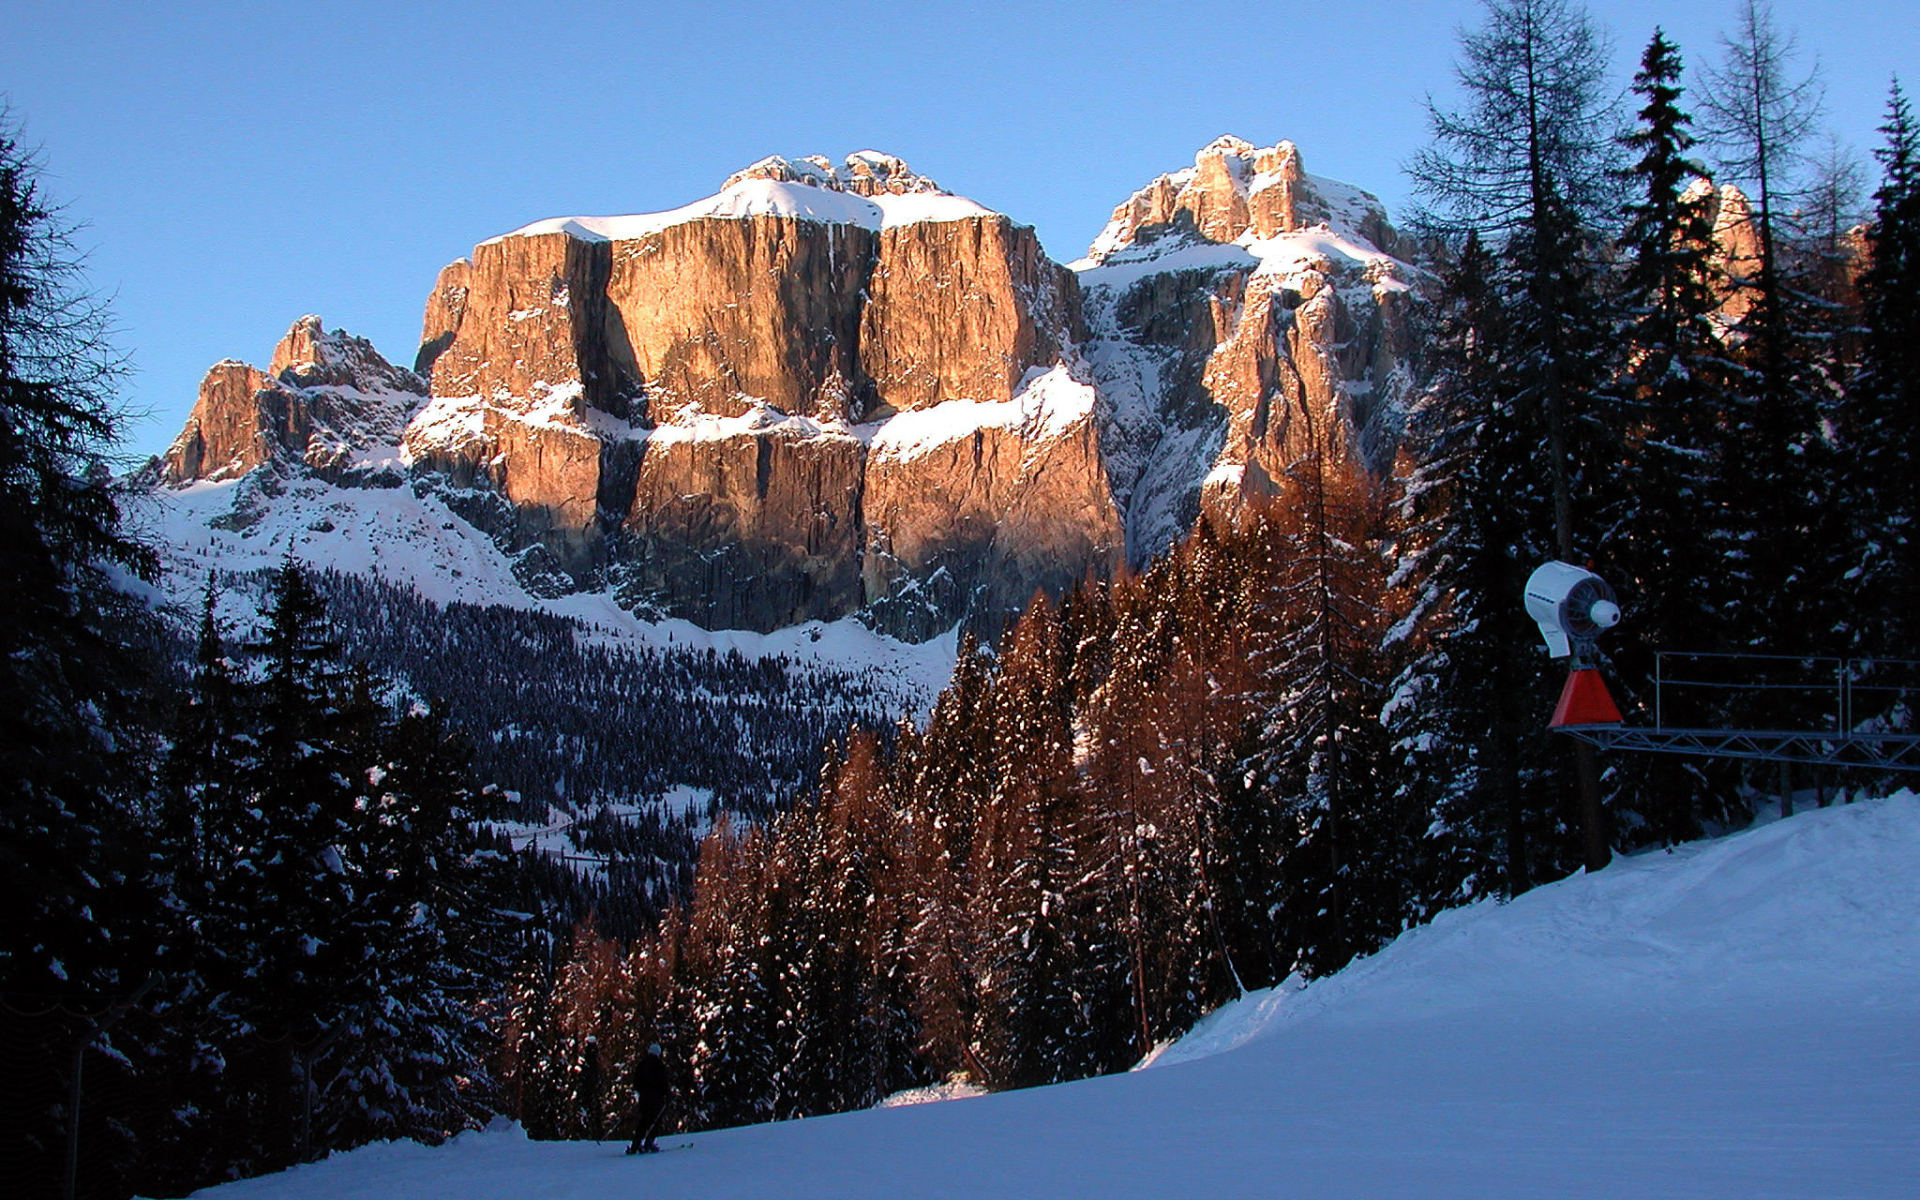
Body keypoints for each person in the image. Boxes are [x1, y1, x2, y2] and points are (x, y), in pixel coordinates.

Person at [625, 1043, 671, 1155]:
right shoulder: (659, 1065)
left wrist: (642, 1091)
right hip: (656, 1097)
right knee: (655, 1121)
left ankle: (636, 1144)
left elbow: (636, 1081)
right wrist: (667, 1093)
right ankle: (649, 1143)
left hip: (644, 1097)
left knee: (644, 1120)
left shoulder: (642, 1064)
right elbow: (663, 1081)